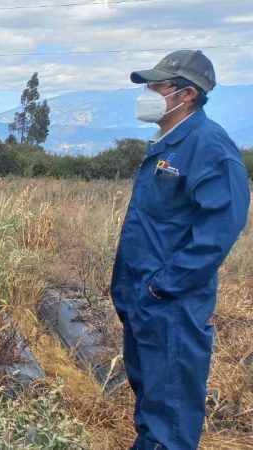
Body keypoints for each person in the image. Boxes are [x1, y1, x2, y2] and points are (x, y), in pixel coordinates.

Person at [112, 50, 250, 449]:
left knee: (170, 411)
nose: (148, 92)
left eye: (157, 85)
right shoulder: (167, 144)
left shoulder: (209, 146)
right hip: (144, 298)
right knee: (152, 399)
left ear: (186, 94)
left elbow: (221, 227)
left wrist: (166, 284)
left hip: (173, 303)